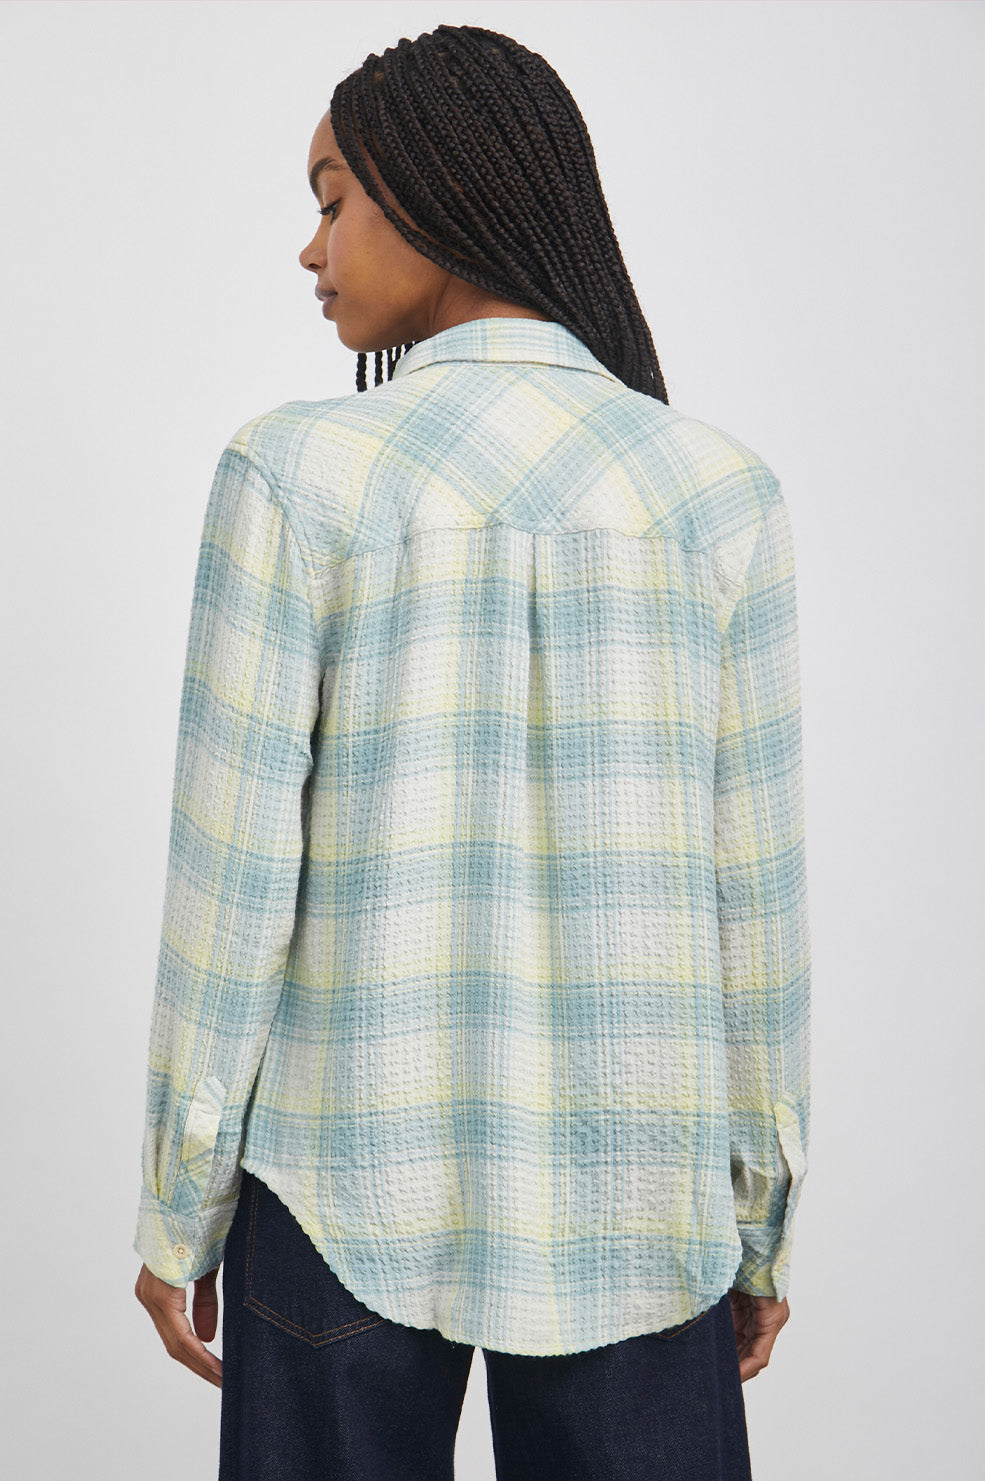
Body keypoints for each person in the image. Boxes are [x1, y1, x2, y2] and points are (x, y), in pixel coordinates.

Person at [133, 22, 810, 1480]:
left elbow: (229, 888)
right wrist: (758, 1214)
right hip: (646, 1209)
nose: (309, 250)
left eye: (331, 202)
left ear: (431, 193)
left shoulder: (295, 473)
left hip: (332, 1190)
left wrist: (180, 1204)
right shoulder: (719, 494)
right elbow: (753, 910)